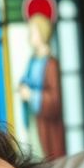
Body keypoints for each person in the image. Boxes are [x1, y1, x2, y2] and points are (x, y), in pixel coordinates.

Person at [17, 9, 65, 160]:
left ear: (43, 33)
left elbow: (55, 101)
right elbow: (27, 80)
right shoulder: (32, 60)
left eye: (33, 32)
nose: (29, 36)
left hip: (47, 126)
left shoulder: (51, 64)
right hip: (35, 120)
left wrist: (31, 95)